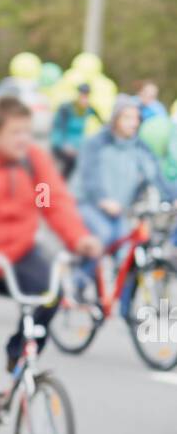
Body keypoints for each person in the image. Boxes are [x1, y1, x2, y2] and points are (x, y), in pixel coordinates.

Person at [0, 95, 101, 431]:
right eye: (16, 133)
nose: (24, 139)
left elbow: (53, 203)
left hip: (15, 255)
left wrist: (78, 238)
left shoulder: (32, 162)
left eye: (28, 131)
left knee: (52, 294)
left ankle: (17, 350)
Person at [72, 94, 165, 314]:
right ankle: (78, 283)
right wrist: (103, 199)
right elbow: (89, 176)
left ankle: (124, 307)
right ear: (115, 119)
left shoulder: (140, 146)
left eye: (136, 118)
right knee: (102, 237)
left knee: (127, 249)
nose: (133, 123)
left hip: (119, 210)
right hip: (90, 203)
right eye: (127, 118)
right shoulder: (96, 142)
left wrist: (171, 196)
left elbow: (156, 175)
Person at [49, 82, 98, 178]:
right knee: (66, 167)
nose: (84, 98)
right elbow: (59, 127)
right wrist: (64, 145)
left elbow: (102, 121)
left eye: (86, 95)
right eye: (82, 94)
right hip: (62, 144)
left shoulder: (88, 108)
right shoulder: (66, 108)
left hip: (77, 146)